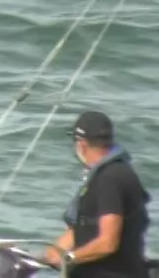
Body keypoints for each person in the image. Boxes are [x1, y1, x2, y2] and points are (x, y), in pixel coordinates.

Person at [42, 110, 149, 276]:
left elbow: (107, 242)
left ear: (82, 145)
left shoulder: (111, 178)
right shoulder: (100, 175)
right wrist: (50, 255)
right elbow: (84, 226)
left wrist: (69, 258)